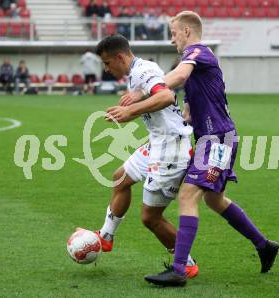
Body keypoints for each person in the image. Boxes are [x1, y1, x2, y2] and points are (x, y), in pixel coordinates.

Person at [142, 11, 279, 286]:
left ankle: (179, 270)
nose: (172, 40)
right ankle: (264, 246)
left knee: (188, 196)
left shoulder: (198, 52)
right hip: (212, 138)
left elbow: (179, 76)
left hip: (217, 139)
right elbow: (189, 111)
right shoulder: (196, 67)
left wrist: (146, 89)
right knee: (213, 200)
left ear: (187, 32)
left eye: (174, 33)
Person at [79, 34, 199, 278]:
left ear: (120, 57)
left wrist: (130, 111)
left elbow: (166, 96)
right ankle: (106, 236)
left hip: (170, 150)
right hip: (158, 143)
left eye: (107, 63)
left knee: (150, 217)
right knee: (120, 177)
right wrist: (132, 107)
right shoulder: (139, 71)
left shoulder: (143, 71)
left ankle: (186, 263)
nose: (105, 68)